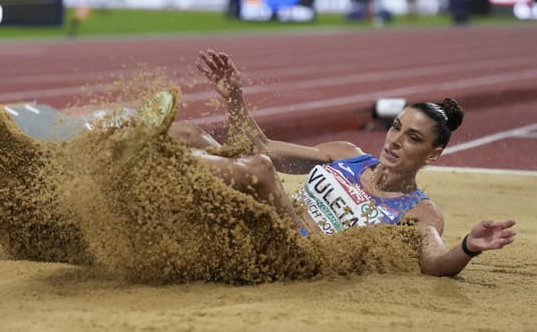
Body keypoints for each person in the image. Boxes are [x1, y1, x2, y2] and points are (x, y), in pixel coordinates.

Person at [161, 49, 516, 277]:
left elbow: (434, 263)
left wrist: (468, 246)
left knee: (260, 169)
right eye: (395, 127)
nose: (395, 140)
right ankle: (118, 147)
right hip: (263, 221)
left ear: (433, 153)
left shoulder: (420, 214)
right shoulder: (346, 155)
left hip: (295, 254)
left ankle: (163, 164)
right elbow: (262, 146)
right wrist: (235, 98)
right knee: (192, 133)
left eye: (413, 138)